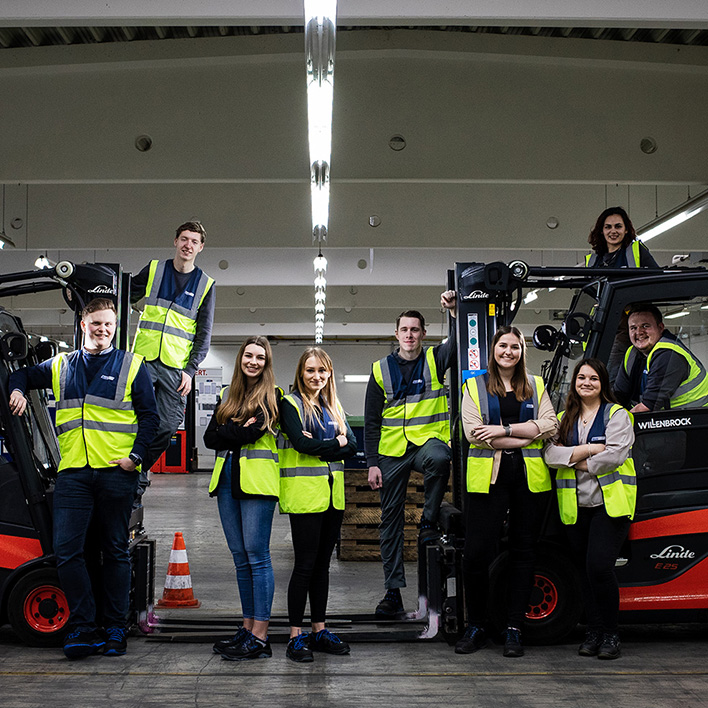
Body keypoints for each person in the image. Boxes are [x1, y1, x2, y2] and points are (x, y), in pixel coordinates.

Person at [8, 298, 158, 659]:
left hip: (115, 473)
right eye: (96, 323)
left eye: (108, 324)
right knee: (69, 552)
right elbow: (24, 374)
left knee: (115, 552)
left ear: (114, 326)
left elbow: (150, 418)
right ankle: (83, 626)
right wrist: (15, 389)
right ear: (82, 323)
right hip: (73, 474)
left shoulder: (130, 366)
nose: (102, 330)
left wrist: (135, 458)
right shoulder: (61, 365)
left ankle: (115, 628)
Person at [456, 325, 557, 658]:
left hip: (529, 479)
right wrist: (527, 436)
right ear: (494, 350)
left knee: (523, 552)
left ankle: (514, 627)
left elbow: (551, 425)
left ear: (522, 352)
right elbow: (473, 434)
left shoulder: (536, 385)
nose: (508, 352)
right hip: (489, 479)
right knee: (475, 555)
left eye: (514, 347)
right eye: (503, 346)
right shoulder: (474, 386)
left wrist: (505, 429)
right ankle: (478, 625)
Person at [366, 290, 457, 618]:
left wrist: (455, 311)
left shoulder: (435, 359)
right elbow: (372, 421)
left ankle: (428, 520)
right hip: (392, 451)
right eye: (404, 330)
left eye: (415, 329)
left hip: (427, 441)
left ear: (424, 333)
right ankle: (393, 592)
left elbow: (461, 341)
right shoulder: (380, 370)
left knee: (439, 458)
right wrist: (373, 464)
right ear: (396, 334)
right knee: (389, 520)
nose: (409, 335)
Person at [544, 358, 636, 660]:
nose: (587, 383)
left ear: (603, 383)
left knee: (599, 567)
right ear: (575, 383)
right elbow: (550, 454)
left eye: (594, 378)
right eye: (582, 377)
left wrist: (576, 460)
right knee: (584, 572)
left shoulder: (616, 415)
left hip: (610, 506)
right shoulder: (564, 417)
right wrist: (589, 450)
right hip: (576, 507)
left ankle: (611, 633)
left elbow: (616, 455)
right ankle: (593, 630)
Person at [204, 336, 281, 661]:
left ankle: (261, 637)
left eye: (259, 357)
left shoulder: (273, 397)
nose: (253, 361)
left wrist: (230, 428)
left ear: (266, 363)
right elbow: (210, 439)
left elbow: (250, 434)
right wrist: (237, 427)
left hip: (257, 484)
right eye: (248, 355)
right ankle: (247, 627)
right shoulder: (227, 394)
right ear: (241, 359)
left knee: (257, 555)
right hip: (226, 481)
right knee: (240, 557)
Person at [278, 347, 357, 663]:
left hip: (333, 497)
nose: (316, 376)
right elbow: (301, 443)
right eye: (311, 370)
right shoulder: (290, 404)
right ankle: (295, 636)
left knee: (322, 567)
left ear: (329, 374)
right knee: (304, 566)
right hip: (305, 497)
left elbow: (351, 445)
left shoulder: (334, 405)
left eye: (322, 371)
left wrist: (328, 446)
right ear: (301, 372)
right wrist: (333, 444)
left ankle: (319, 630)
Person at [131, 220, 215, 480]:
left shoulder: (205, 284)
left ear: (201, 247)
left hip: (175, 368)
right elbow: (124, 296)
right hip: (142, 361)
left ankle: (138, 467)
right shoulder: (154, 269)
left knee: (167, 426)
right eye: (184, 239)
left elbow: (204, 335)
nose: (188, 245)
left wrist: (190, 370)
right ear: (176, 242)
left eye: (194, 241)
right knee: (132, 421)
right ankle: (130, 477)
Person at [613, 303, 708, 412]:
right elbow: (619, 395)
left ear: (660, 327)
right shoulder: (632, 354)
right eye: (633, 328)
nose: (639, 332)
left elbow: (648, 406)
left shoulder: (668, 354)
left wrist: (615, 424)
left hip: (693, 420)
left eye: (645, 326)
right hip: (666, 420)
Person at [585, 206, 659, 268]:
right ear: (602, 231)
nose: (613, 231)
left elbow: (657, 279)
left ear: (626, 229)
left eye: (618, 226)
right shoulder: (592, 261)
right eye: (608, 227)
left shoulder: (637, 251)